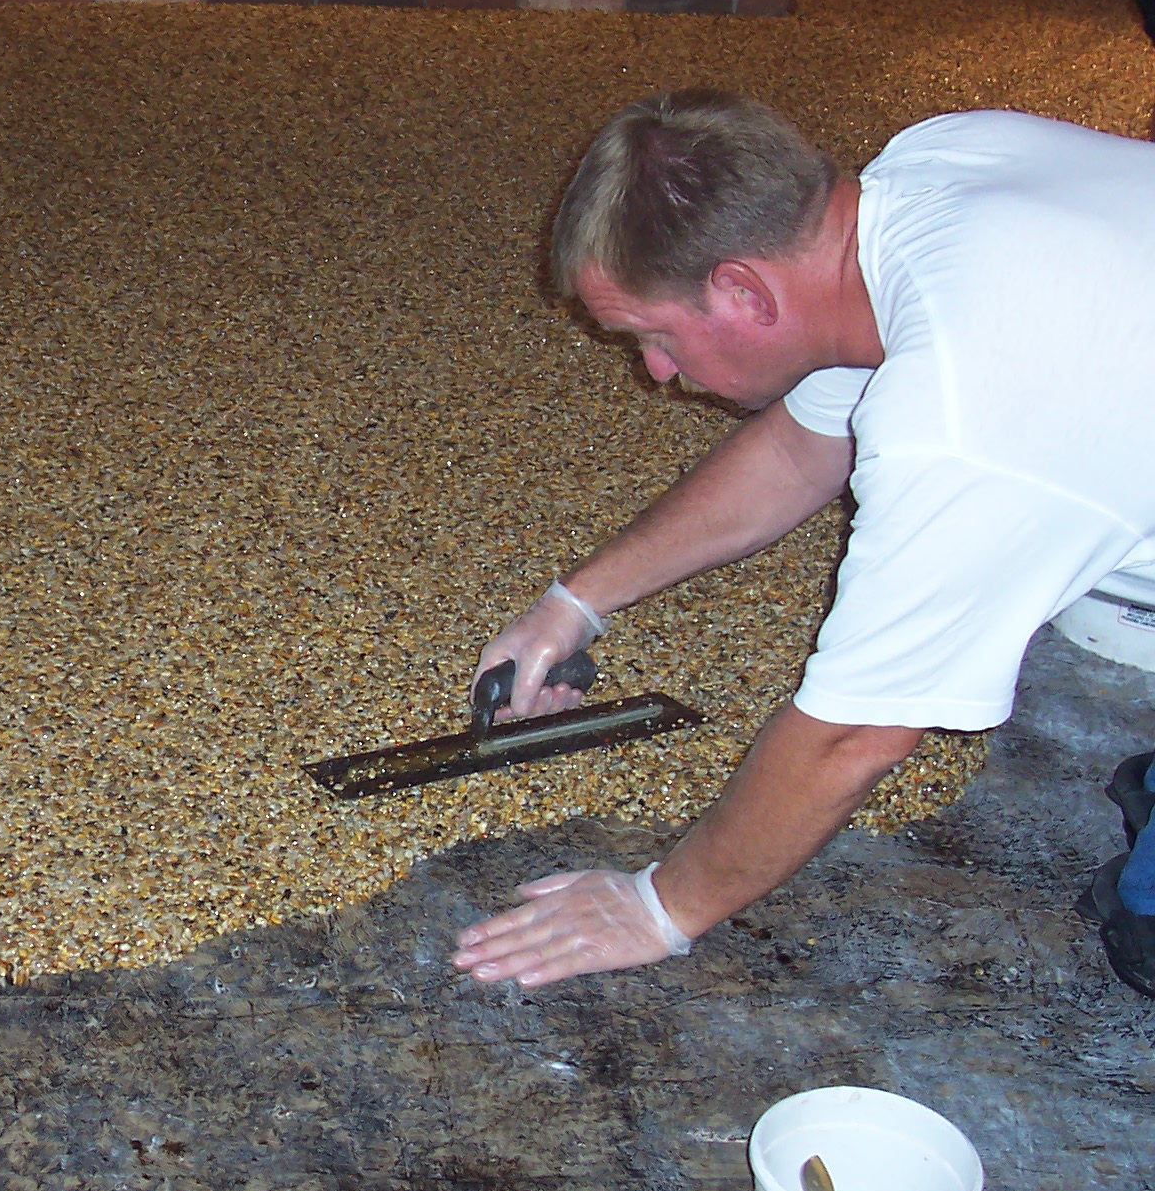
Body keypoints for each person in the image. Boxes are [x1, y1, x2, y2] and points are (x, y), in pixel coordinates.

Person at [449, 90, 1155, 995]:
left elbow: (854, 734)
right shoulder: (929, 172)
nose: (657, 373)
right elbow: (799, 447)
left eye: (655, 335)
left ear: (743, 291)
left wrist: (661, 906)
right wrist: (575, 602)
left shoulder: (964, 414)